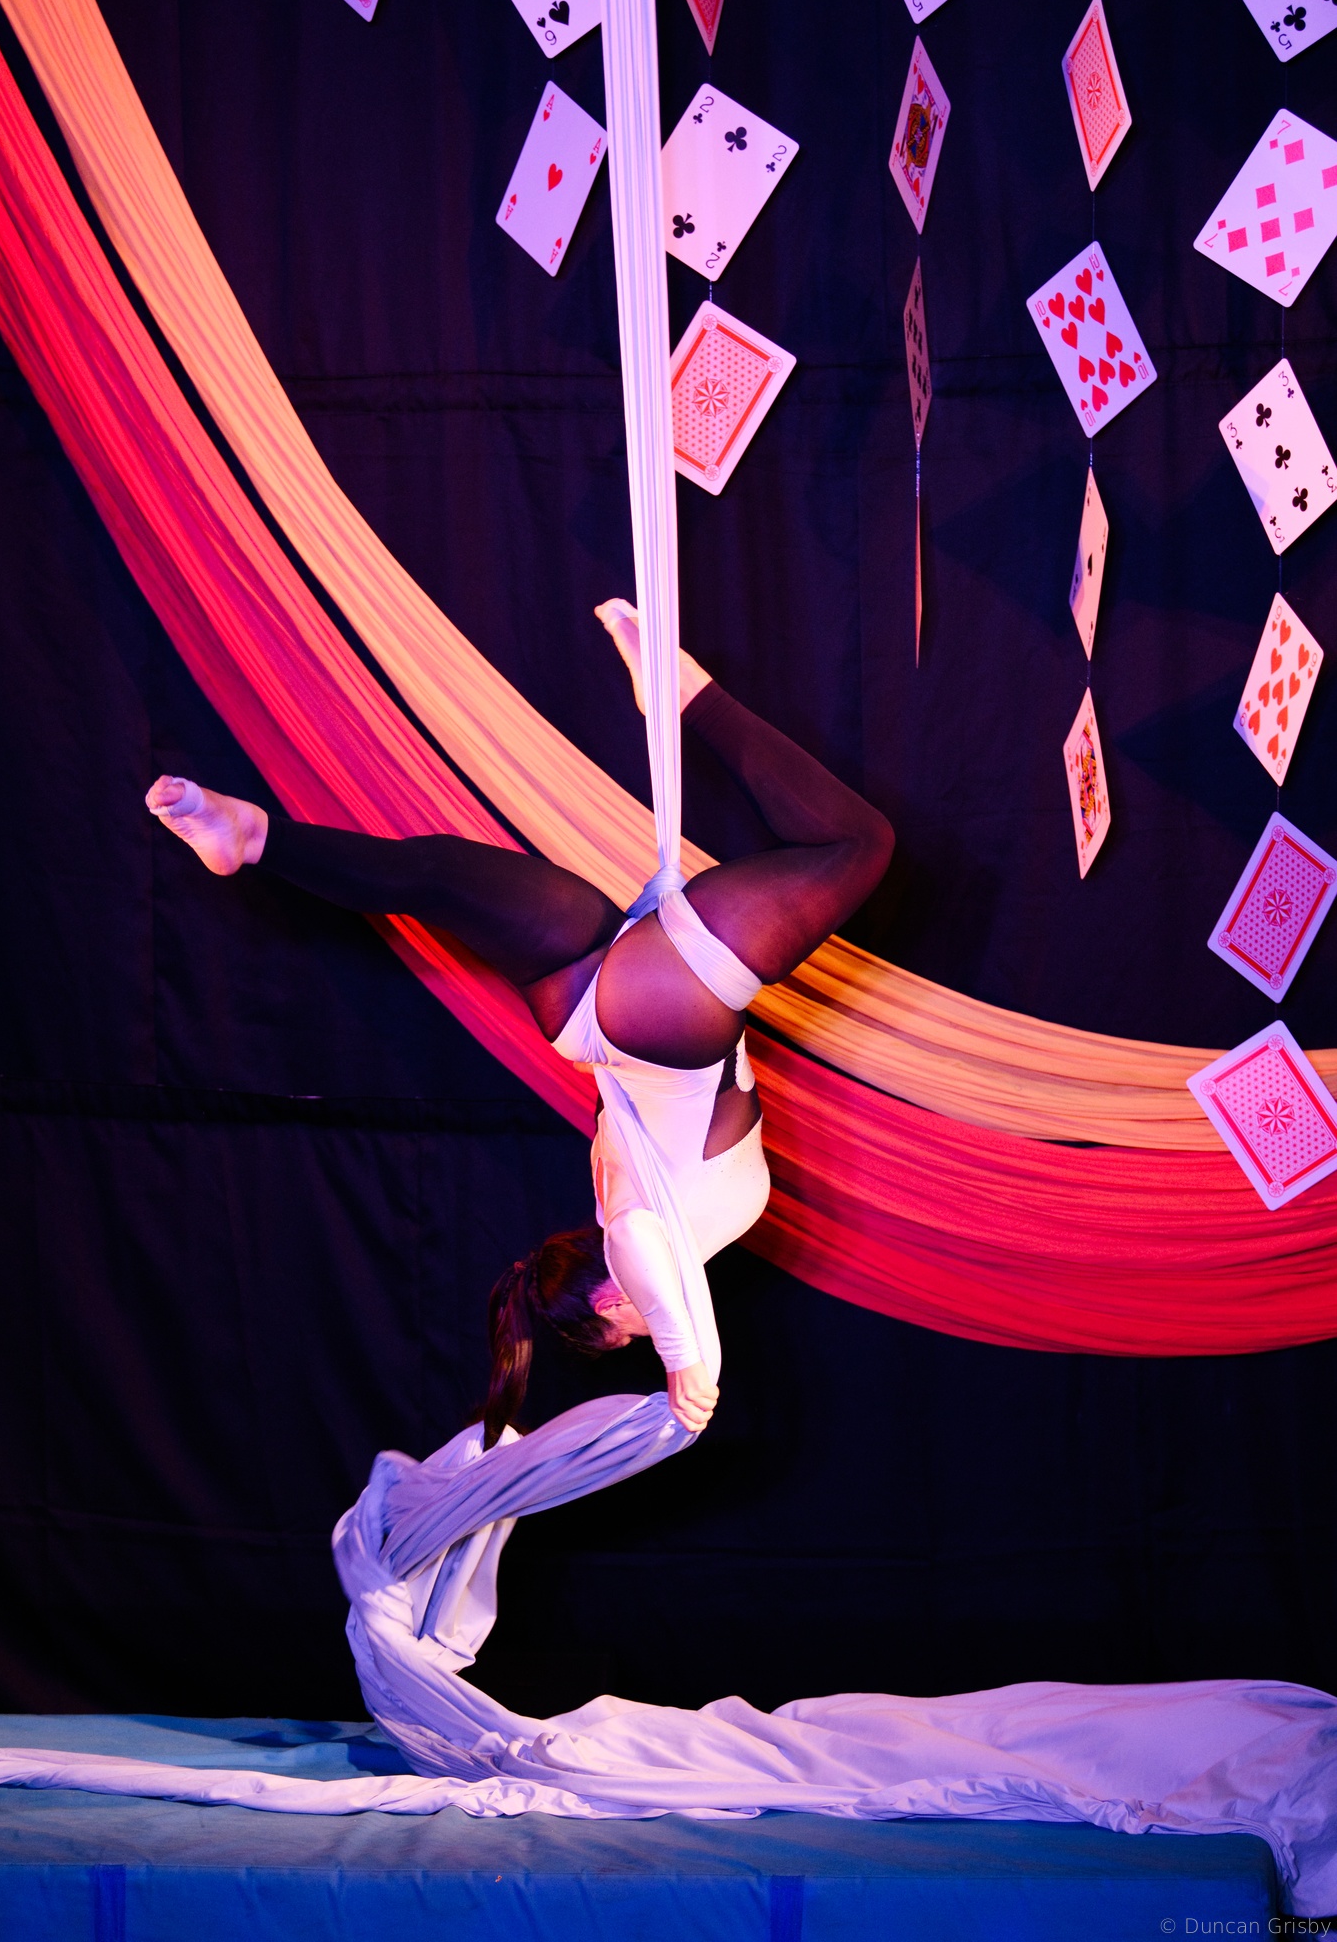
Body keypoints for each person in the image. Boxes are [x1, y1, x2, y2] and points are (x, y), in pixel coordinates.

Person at [147, 603, 892, 1446]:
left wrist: (684, 1362)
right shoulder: (619, 1197)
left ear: (607, 1299)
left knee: (855, 846)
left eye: (621, 1332)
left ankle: (687, 695)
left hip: (661, 1013)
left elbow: (641, 1251)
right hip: (586, 1022)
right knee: (435, 876)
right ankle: (255, 839)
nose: (639, 1327)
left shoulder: (638, 1240)